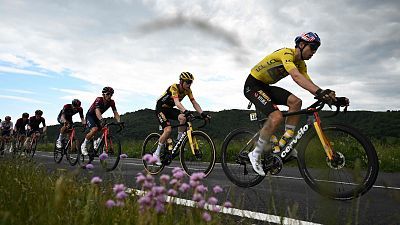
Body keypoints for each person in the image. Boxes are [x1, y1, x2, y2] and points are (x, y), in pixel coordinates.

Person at [244, 32, 336, 176]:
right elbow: (296, 76)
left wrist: (328, 96)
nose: (313, 52)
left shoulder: (301, 64)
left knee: (296, 102)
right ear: (301, 44)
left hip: (266, 87)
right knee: (276, 117)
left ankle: (285, 144)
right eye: (312, 48)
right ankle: (255, 154)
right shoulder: (287, 53)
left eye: (315, 50)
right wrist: (319, 92)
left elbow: (309, 83)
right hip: (253, 85)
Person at [153, 72, 210, 165]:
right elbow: (177, 103)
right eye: (187, 82)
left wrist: (202, 113)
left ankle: (178, 140)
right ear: (181, 81)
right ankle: (156, 154)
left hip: (170, 109)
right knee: (168, 130)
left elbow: (194, 102)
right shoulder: (174, 87)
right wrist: (185, 110)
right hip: (161, 108)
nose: (189, 84)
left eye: (191, 82)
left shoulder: (188, 90)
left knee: (183, 118)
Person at [80, 87, 121, 155]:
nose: (109, 96)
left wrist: (119, 121)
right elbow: (97, 111)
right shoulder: (99, 99)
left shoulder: (112, 102)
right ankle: (84, 145)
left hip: (97, 117)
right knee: (94, 129)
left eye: (111, 94)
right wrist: (101, 119)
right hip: (90, 116)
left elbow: (115, 113)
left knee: (106, 129)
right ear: (103, 94)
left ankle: (97, 142)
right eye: (108, 94)